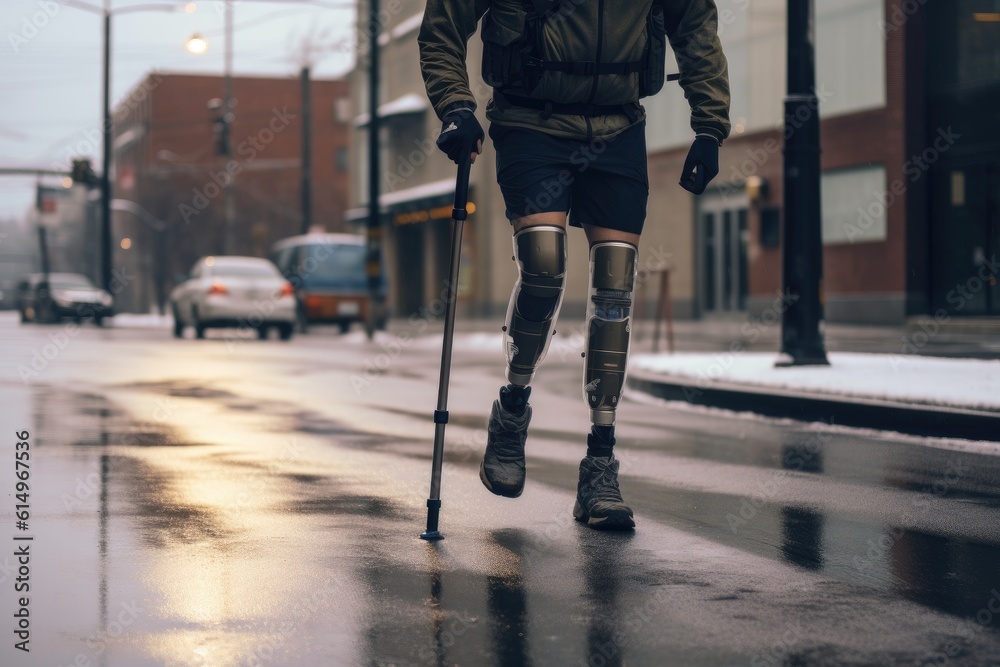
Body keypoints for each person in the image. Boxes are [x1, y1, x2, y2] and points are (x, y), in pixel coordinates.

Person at [418, 0, 730, 529]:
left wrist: (710, 125)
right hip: (529, 121)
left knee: (615, 287)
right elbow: (444, 26)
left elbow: (695, 24)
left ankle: (600, 464)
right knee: (543, 266)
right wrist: (456, 106)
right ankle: (513, 405)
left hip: (618, 126)